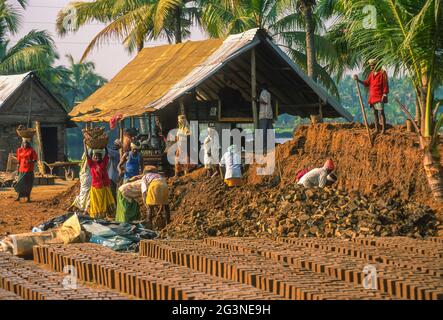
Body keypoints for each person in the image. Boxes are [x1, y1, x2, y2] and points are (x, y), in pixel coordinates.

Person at [354, 59, 390, 134]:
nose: (371, 67)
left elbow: (385, 85)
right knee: (375, 113)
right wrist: (358, 80)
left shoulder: (382, 73)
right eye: (371, 66)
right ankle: (377, 129)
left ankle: (383, 130)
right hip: (372, 97)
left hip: (379, 96)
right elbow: (367, 83)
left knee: (381, 112)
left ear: (377, 65)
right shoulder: (372, 74)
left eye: (373, 66)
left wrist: (384, 94)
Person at [85, 140, 116, 219]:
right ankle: (96, 216)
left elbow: (106, 155)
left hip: (102, 187)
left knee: (102, 202)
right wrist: (84, 144)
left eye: (97, 156)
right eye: (94, 156)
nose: (95, 157)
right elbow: (87, 155)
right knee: (95, 203)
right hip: (94, 187)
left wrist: (104, 146)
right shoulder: (91, 164)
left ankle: (103, 215)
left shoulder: (103, 164)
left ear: (100, 157)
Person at [257, 84, 273, 153]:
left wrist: (257, 99)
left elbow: (265, 101)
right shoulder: (269, 93)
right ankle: (271, 147)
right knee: (269, 132)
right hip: (269, 115)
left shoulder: (263, 92)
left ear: (262, 87)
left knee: (263, 133)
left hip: (263, 115)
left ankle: (264, 149)